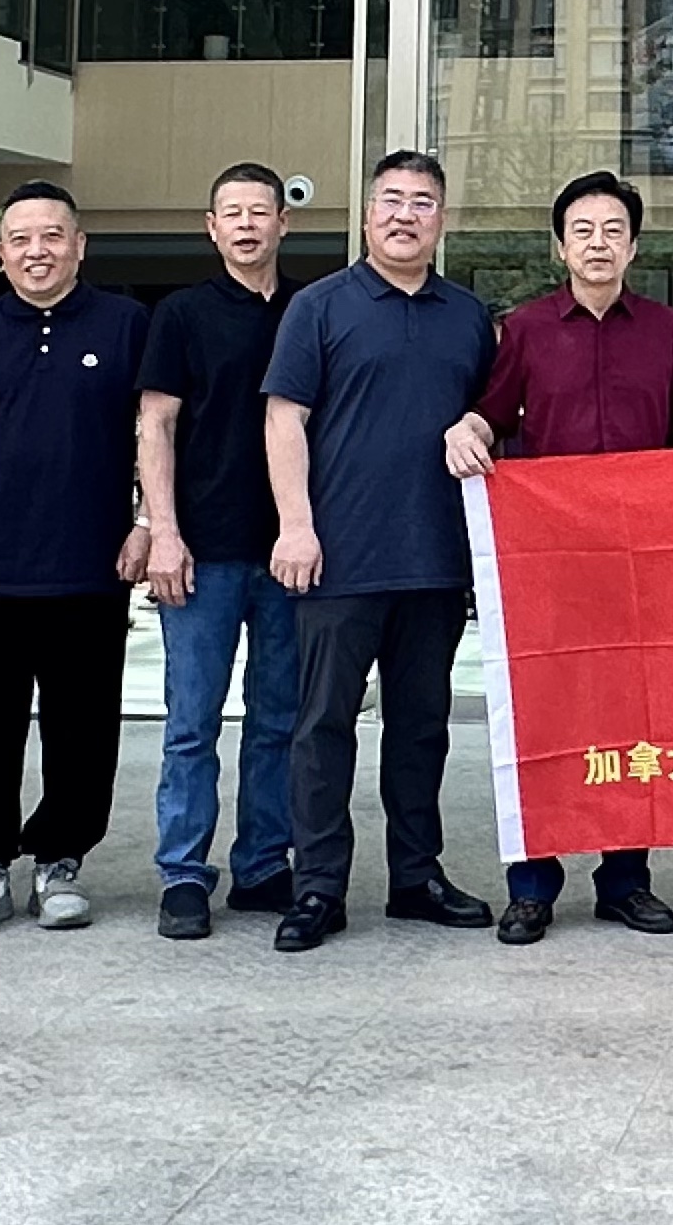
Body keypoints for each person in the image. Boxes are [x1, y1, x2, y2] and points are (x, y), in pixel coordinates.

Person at [449, 169, 673, 944]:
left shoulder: (666, 330)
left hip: (637, 565)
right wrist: (466, 430)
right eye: (583, 231)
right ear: (560, 247)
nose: (598, 244)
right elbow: (492, 414)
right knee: (543, 716)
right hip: (548, 561)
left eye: (613, 231)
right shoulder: (526, 329)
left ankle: (626, 880)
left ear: (634, 246)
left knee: (632, 720)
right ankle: (532, 885)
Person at [261, 149, 502, 953]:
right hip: (339, 558)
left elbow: (488, 421)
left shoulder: (467, 316)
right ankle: (318, 885)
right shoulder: (320, 307)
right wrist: (296, 526)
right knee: (323, 727)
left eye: (422, 202)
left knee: (421, 728)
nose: (405, 215)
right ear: (368, 215)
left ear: (442, 219)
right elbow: (284, 420)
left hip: (434, 560)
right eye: (391, 200)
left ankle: (416, 876)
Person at [0, 180, 149, 939]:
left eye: (51, 236)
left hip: (92, 563)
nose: (36, 252)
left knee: (84, 727)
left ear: (79, 245)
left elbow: (155, 431)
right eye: (19, 239)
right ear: (2, 251)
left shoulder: (125, 323)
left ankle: (60, 861)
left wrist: (149, 522)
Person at [135, 163, 304, 942]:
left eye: (258, 212)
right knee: (192, 722)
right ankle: (183, 872)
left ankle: (264, 863)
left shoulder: (309, 309)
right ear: (211, 228)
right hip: (202, 549)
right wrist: (162, 530)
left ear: (282, 223)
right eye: (231, 213)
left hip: (289, 550)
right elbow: (156, 425)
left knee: (278, 719)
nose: (246, 225)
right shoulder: (181, 314)